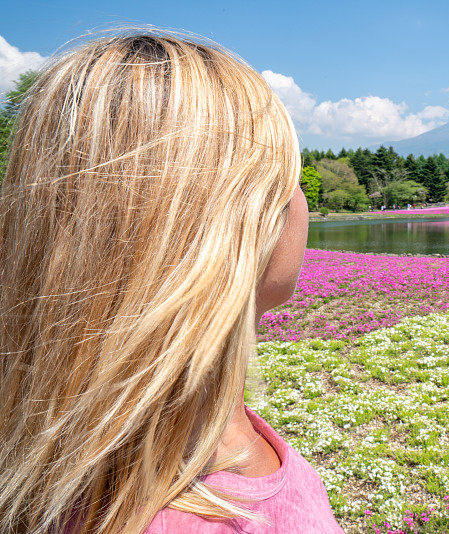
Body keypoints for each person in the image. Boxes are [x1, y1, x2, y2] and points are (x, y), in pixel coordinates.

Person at [0, 28, 343, 534]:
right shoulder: (234, 516)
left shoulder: (45, 460)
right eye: (288, 177)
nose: (300, 201)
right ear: (233, 225)